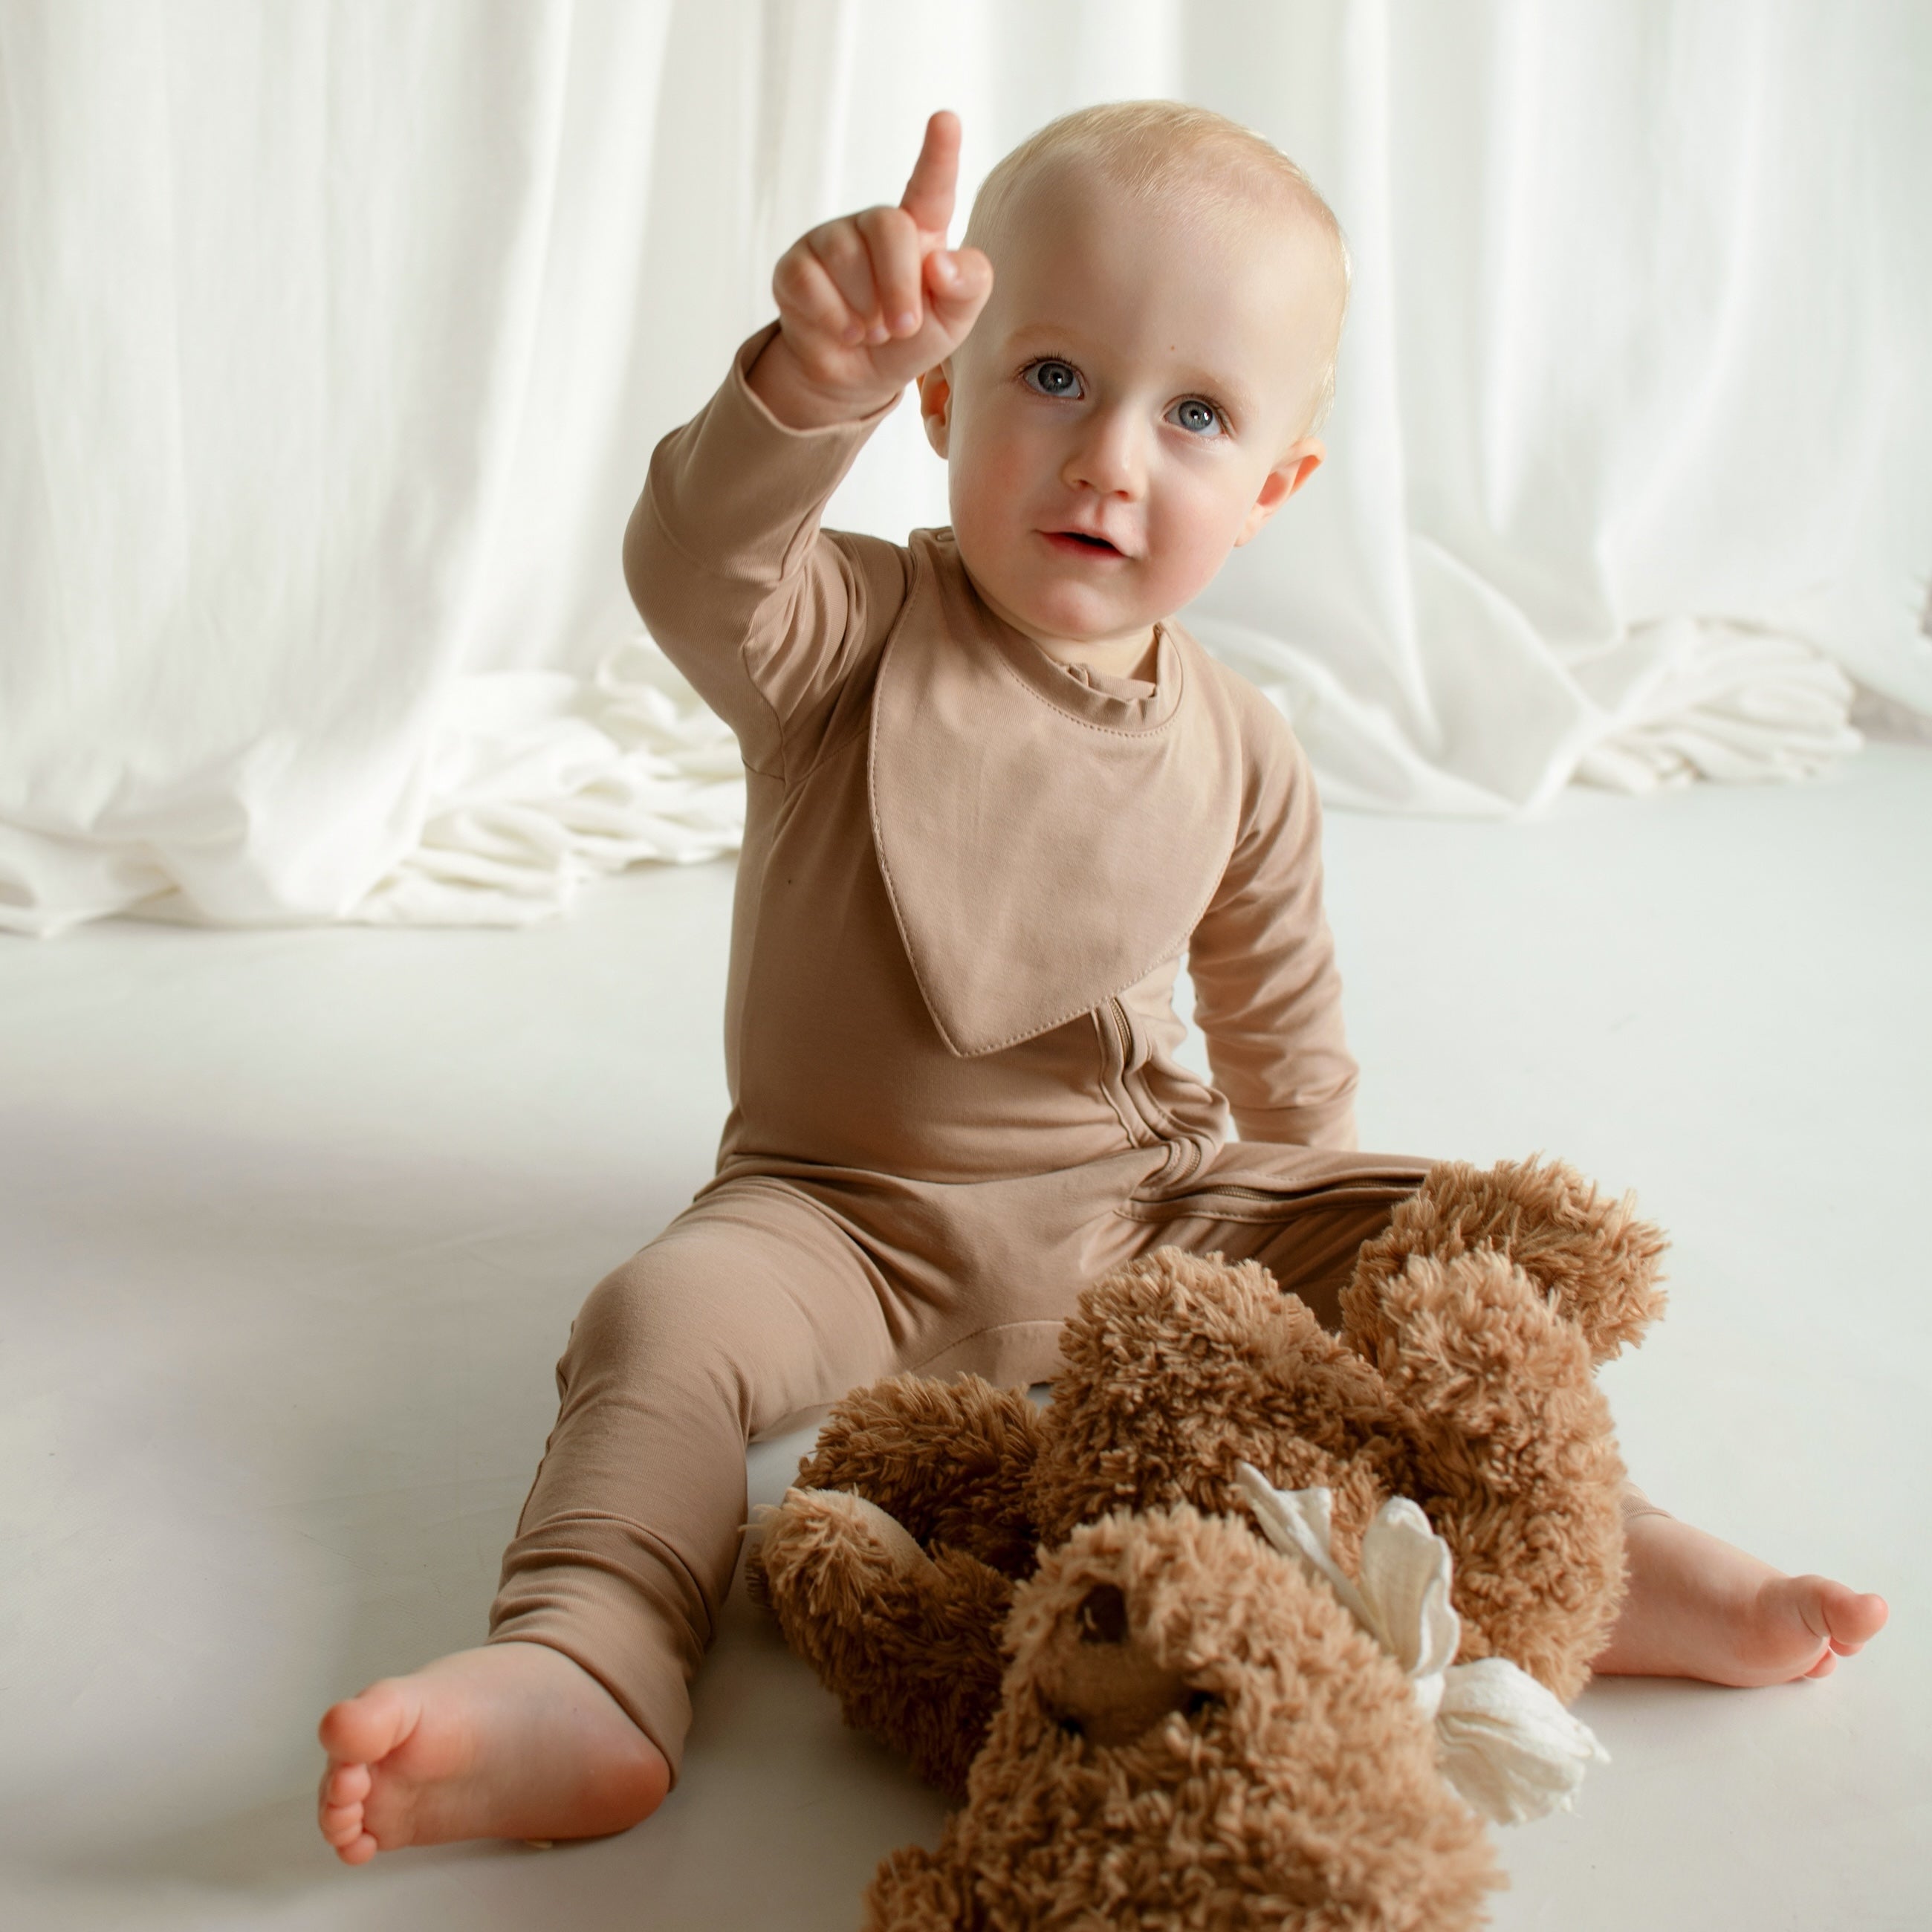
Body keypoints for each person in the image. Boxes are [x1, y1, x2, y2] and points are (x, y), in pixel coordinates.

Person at [316, 105, 1887, 1864]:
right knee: (653, 1329)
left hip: (1146, 1214)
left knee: (1436, 1239)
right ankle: (590, 1656)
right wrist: (800, 386)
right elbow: (693, 563)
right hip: (837, 1217)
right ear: (941, 398)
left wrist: (1318, 1235)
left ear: (1276, 487)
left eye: (1195, 414)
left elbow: (1287, 1031)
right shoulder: (843, 638)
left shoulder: (1241, 746)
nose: (1109, 458)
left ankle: (1589, 1551)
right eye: (1052, 375)